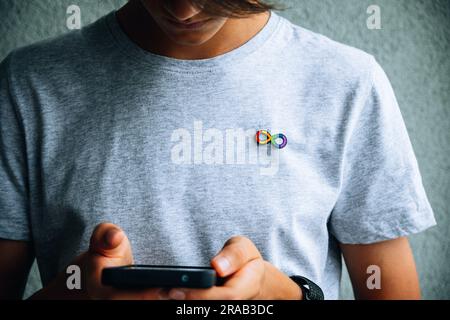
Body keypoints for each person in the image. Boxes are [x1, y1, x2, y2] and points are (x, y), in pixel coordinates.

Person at [0, 0, 436, 300]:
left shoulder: (348, 84)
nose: (184, 10)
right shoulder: (29, 86)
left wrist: (284, 293)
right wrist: (77, 291)